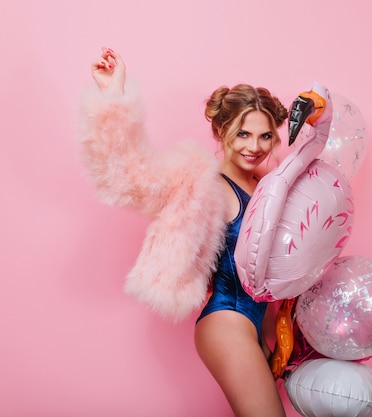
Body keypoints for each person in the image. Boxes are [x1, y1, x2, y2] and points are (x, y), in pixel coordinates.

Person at [80, 47, 288, 417]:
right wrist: (113, 95)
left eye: (265, 136)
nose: (254, 147)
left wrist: (275, 333)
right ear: (222, 131)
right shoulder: (199, 182)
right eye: (243, 134)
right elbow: (131, 174)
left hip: (258, 325)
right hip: (227, 320)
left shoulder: (268, 189)